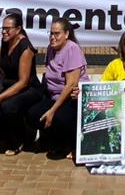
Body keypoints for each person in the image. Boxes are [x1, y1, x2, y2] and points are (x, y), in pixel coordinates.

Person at [0, 11, 44, 155]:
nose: (4, 32)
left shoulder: (26, 48)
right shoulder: (6, 41)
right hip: (11, 87)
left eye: (8, 29)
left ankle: (17, 142)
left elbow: (23, 82)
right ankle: (15, 134)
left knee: (7, 106)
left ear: (18, 29)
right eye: (3, 28)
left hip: (29, 89)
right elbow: (7, 62)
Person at [26, 19, 87, 160]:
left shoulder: (72, 49)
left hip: (72, 98)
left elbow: (71, 84)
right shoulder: (50, 48)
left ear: (66, 34)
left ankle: (71, 144)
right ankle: (53, 141)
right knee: (32, 114)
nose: (53, 37)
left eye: (57, 34)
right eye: (51, 33)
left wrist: (52, 110)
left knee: (59, 118)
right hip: (53, 96)